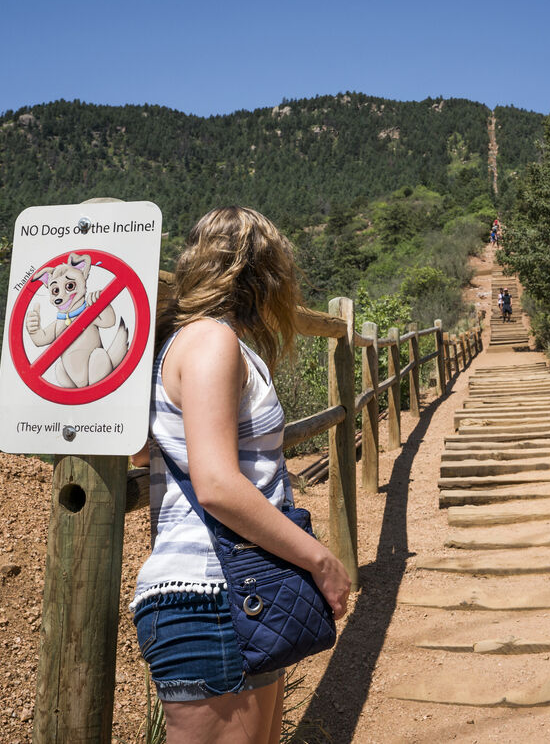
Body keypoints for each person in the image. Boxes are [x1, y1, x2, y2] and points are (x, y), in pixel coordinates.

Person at [130, 207, 351, 744]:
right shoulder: (211, 342)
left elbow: (144, 454)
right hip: (212, 595)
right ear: (262, 273)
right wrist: (319, 559)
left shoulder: (183, 343)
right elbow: (217, 485)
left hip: (237, 593)